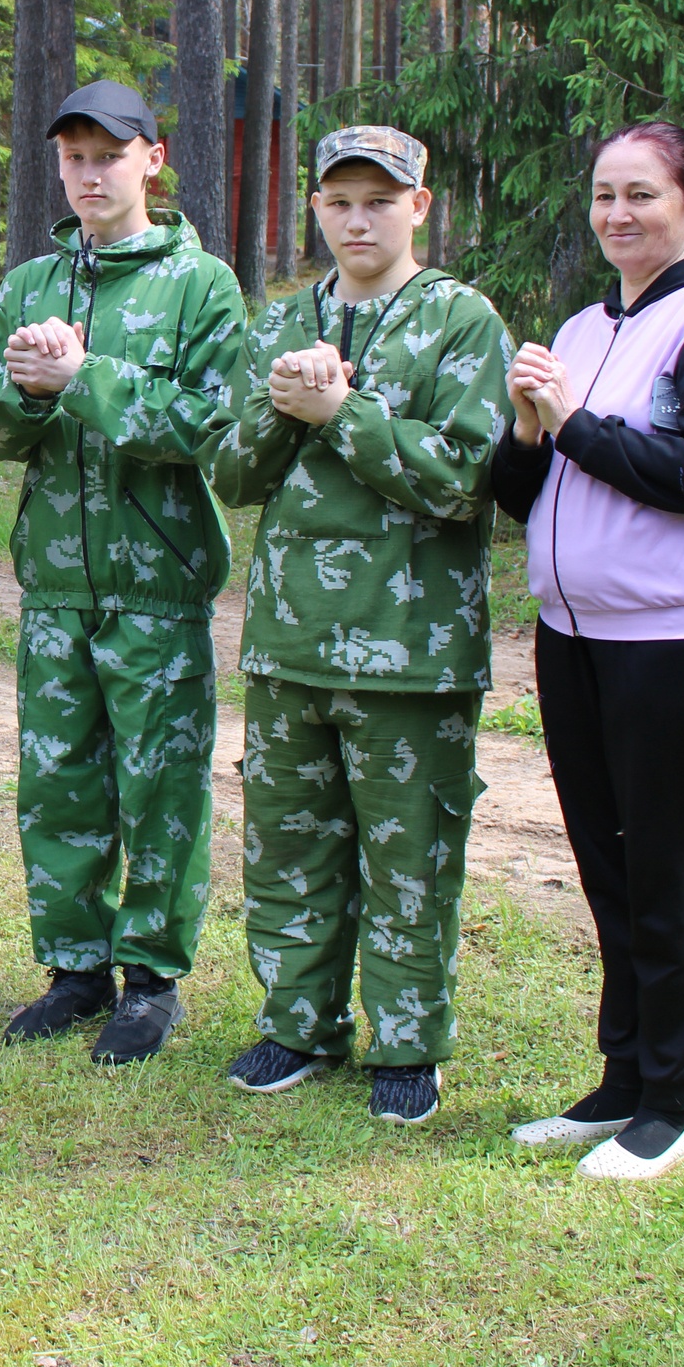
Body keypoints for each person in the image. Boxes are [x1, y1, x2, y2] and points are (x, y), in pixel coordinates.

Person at [494, 120, 684, 1181]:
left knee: (666, 868)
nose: (617, 214)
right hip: (576, 637)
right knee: (606, 866)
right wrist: (528, 431)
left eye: (642, 195)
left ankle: (673, 1102)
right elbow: (520, 494)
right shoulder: (578, 327)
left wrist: (568, 423)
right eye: (604, 195)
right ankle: (621, 1079)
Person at [207, 125, 512, 1124]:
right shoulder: (281, 322)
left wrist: (344, 414)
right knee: (289, 848)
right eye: (338, 201)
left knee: (407, 857)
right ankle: (297, 1023)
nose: (356, 219)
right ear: (316, 210)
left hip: (411, 649)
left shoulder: (460, 322)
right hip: (292, 640)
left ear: (418, 207)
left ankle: (409, 1042)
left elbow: (467, 481)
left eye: (379, 200)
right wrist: (280, 412)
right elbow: (232, 475)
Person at [0, 82, 247, 1065]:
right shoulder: (31, 285)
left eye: (109, 153)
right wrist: (32, 389)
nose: (91, 172)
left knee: (159, 786)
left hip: (154, 582)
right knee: (57, 785)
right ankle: (74, 968)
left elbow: (211, 426)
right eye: (74, 155)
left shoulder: (199, 284)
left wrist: (86, 379)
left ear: (152, 160)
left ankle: (152, 979)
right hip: (54, 584)